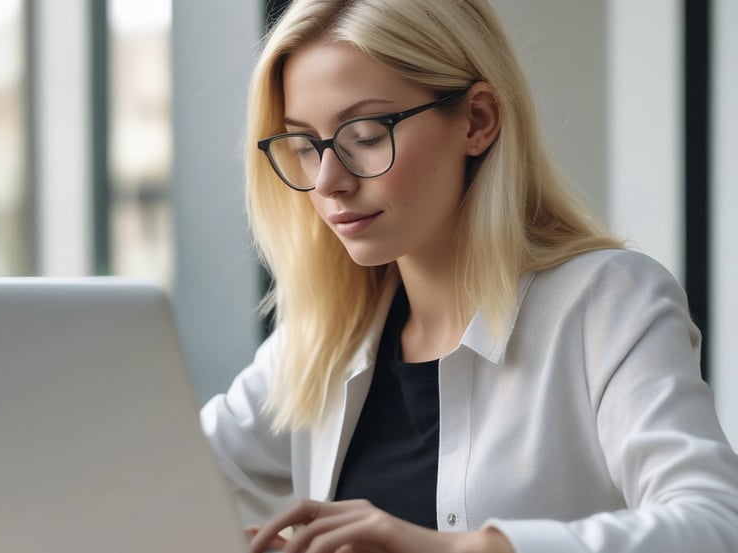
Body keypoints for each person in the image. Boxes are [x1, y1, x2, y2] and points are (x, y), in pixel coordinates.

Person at [200, 0, 738, 551]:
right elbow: (155, 484)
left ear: (478, 120)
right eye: (305, 146)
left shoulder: (607, 303)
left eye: (363, 135)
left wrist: (462, 547)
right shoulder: (323, 339)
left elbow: (715, 524)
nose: (327, 182)